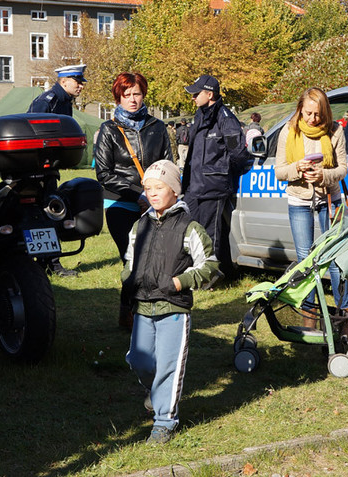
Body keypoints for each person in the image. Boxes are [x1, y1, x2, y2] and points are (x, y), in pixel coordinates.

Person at [122, 160, 220, 444]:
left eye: (159, 187)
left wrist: (180, 282)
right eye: (148, 188)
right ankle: (156, 391)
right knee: (138, 359)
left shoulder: (189, 228)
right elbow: (130, 260)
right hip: (143, 305)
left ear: (175, 191)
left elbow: (210, 265)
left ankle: (164, 421)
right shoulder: (139, 225)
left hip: (173, 307)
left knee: (168, 364)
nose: (152, 193)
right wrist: (127, 278)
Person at [94, 72, 172, 330]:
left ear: (144, 94)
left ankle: (151, 312)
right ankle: (128, 314)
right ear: (118, 98)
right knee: (133, 260)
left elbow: (168, 166)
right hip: (120, 205)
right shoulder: (109, 129)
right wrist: (137, 194)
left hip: (154, 204)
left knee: (156, 261)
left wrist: (160, 196)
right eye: (126, 95)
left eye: (136, 94)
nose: (132, 100)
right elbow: (104, 174)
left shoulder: (157, 127)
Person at [274, 87, 348, 327]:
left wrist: (323, 176)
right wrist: (298, 168)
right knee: (306, 262)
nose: (312, 119)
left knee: (335, 259)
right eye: (308, 113)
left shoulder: (335, 131)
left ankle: (342, 319)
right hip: (299, 199)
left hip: (329, 198)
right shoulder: (288, 131)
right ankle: (310, 322)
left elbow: (343, 169)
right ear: (300, 110)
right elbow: (279, 171)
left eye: (317, 114)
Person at [182, 74, 250, 276]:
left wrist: (221, 172)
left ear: (209, 94)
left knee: (210, 233)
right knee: (190, 231)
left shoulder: (226, 118)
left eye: (196, 94)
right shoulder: (200, 115)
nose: (192, 98)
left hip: (213, 187)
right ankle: (195, 271)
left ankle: (209, 276)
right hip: (193, 186)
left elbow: (238, 153)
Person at [27, 64, 87, 277]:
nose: (81, 86)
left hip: (48, 167)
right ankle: (49, 263)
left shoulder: (63, 101)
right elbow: (33, 131)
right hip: (38, 169)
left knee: (51, 213)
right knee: (45, 214)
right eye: (77, 81)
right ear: (63, 81)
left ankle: (49, 263)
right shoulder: (49, 101)